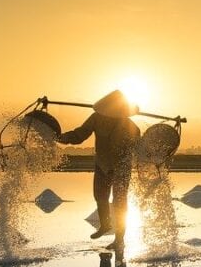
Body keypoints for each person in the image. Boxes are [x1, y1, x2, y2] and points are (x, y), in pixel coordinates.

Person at [58, 90, 141, 250]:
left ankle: (119, 239)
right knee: (100, 196)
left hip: (121, 167)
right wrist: (61, 137)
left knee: (119, 202)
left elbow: (138, 146)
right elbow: (79, 135)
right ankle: (105, 224)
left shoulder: (130, 126)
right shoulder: (96, 118)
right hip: (102, 163)